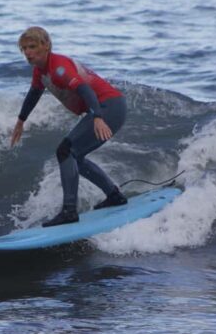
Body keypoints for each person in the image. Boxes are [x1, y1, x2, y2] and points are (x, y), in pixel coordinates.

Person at [10, 26, 128, 227]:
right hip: (103, 108)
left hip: (108, 107)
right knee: (75, 156)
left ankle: (69, 211)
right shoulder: (40, 71)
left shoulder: (59, 67)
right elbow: (34, 94)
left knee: (65, 151)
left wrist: (98, 116)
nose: (28, 53)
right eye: (24, 49)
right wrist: (21, 121)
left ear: (46, 46)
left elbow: (85, 89)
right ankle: (114, 195)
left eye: (32, 47)